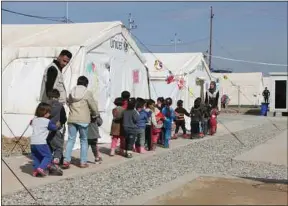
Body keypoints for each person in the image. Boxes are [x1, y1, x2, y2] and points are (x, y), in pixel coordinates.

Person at [63, 76, 99, 169]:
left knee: (71, 140)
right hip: (83, 120)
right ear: (86, 84)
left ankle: (66, 161)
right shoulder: (87, 93)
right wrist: (95, 114)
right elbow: (93, 105)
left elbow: (68, 101)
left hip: (72, 119)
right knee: (84, 140)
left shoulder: (72, 91)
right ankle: (83, 162)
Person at [30, 102, 59, 177]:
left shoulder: (34, 120)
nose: (50, 114)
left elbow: (31, 123)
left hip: (33, 143)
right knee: (48, 156)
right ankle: (41, 168)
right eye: (49, 112)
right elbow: (53, 128)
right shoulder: (47, 121)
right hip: (41, 143)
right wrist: (57, 125)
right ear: (45, 113)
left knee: (36, 157)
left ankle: (35, 171)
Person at [46, 89, 67, 166]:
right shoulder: (60, 106)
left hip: (46, 129)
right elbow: (64, 118)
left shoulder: (45, 105)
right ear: (58, 96)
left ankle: (48, 160)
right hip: (57, 129)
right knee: (58, 146)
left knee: (49, 145)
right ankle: (56, 161)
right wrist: (61, 122)